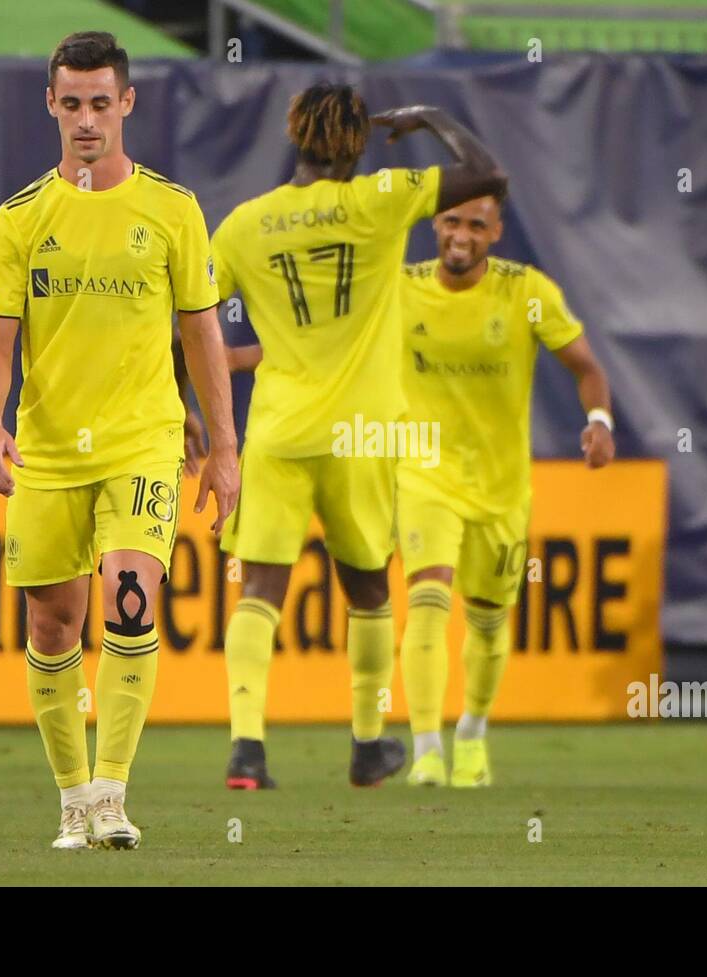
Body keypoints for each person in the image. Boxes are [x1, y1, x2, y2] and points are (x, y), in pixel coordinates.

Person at [0, 32, 239, 849]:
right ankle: (73, 802)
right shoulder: (18, 220)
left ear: (127, 103)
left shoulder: (172, 209)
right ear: (51, 105)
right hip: (49, 451)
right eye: (72, 102)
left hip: (143, 444)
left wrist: (224, 447)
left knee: (131, 598)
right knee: (53, 626)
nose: (87, 119)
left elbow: (202, 335)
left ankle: (115, 794)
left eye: (101, 101)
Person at [209, 84, 506, 789]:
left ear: (296, 133)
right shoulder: (384, 198)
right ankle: (369, 745)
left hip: (279, 427)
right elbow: (489, 174)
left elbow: (189, 322)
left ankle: (246, 747)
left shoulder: (244, 226)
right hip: (363, 434)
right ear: (357, 143)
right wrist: (430, 114)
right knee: (369, 590)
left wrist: (200, 414)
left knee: (257, 589)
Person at [395, 194, 615, 786]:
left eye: (475, 224)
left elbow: (587, 368)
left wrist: (600, 422)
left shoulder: (527, 292)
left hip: (500, 484)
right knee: (428, 599)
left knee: (489, 620)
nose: (460, 234)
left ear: (494, 232)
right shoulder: (400, 288)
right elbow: (334, 348)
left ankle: (471, 731)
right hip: (423, 474)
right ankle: (425, 749)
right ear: (435, 225)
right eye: (451, 221)